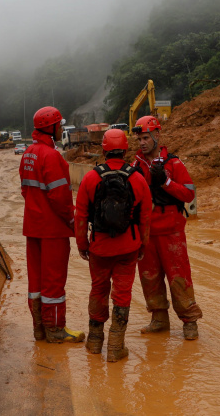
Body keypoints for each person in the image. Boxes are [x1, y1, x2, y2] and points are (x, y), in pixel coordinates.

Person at [75, 129, 151, 362]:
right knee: (123, 293)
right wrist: (142, 245)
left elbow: (80, 215)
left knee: (98, 288)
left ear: (104, 149)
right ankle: (116, 346)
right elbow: (146, 216)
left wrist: (82, 244)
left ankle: (95, 342)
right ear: (126, 149)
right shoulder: (137, 178)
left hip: (99, 247)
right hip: (127, 246)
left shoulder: (90, 178)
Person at [131, 115, 203, 340]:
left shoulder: (174, 163)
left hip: (171, 230)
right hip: (147, 232)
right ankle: (159, 319)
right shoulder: (136, 165)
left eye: (145, 138)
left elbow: (189, 193)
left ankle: (189, 320)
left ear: (156, 135)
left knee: (178, 276)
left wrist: (166, 182)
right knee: (149, 277)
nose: (142, 143)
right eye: (139, 139)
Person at [19, 106, 84, 343]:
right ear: (52, 127)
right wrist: (72, 219)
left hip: (33, 226)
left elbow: (26, 190)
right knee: (54, 280)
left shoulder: (28, 153)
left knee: (35, 281)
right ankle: (56, 329)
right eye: (59, 124)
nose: (61, 128)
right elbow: (60, 197)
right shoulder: (51, 156)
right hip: (53, 229)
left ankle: (39, 329)